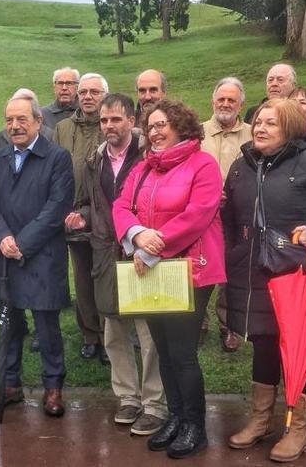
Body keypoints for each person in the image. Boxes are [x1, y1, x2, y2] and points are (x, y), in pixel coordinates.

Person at [223, 98, 306, 462]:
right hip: (253, 273)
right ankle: (260, 419)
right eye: (258, 122)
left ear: (292, 128)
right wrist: (233, 253)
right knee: (263, 343)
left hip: (295, 272)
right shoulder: (241, 166)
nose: (260, 128)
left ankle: (298, 428)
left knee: (296, 350)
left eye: (271, 123)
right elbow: (229, 220)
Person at [112, 99, 226, 459]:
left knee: (182, 352)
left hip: (191, 269)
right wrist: (134, 234)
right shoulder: (144, 167)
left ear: (180, 125)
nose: (155, 132)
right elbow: (120, 206)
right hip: (152, 268)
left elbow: (198, 215)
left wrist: (147, 248)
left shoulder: (203, 164)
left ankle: (195, 425)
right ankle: (175, 417)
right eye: (150, 127)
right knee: (162, 349)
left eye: (162, 125)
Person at [68, 93, 167, 435]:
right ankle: (128, 397)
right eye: (104, 121)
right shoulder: (94, 159)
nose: (109, 126)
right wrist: (81, 218)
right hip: (105, 255)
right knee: (113, 332)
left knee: (149, 333)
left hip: (141, 255)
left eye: (116, 120)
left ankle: (155, 404)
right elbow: (88, 203)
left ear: (131, 121)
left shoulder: (149, 155)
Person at [0, 94, 74, 417]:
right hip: (5, 255)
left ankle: (52, 386)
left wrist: (22, 242)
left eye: (22, 119)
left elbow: (57, 207)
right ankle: (9, 384)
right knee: (10, 324)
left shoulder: (57, 158)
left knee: (47, 325)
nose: (15, 126)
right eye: (9, 120)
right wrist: (2, 237)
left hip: (42, 255)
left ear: (37, 121)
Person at [52, 72, 109, 363]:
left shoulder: (110, 125)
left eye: (94, 92)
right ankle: (89, 335)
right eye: (83, 91)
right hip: (73, 217)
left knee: (107, 278)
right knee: (83, 279)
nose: (87, 97)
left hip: (107, 220)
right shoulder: (62, 128)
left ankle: (109, 335)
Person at [200, 76, 252, 353]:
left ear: (240, 103)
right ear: (213, 101)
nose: (226, 104)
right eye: (221, 99)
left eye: (231, 99)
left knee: (231, 269)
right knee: (198, 265)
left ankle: (228, 324)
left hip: (238, 212)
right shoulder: (197, 133)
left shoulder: (253, 133)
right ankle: (199, 322)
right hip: (201, 214)